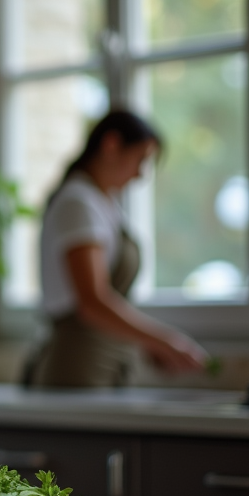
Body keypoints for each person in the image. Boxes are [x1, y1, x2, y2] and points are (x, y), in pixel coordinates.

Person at [25, 110, 209, 388]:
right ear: (111, 145)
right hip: (78, 369)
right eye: (141, 159)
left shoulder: (102, 204)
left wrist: (146, 344)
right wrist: (165, 341)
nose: (139, 174)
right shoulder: (78, 203)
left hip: (103, 364)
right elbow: (92, 302)